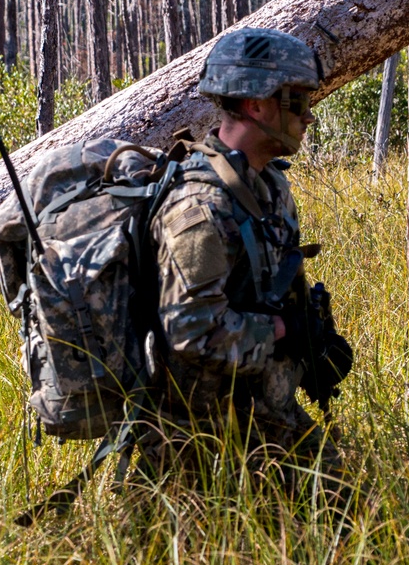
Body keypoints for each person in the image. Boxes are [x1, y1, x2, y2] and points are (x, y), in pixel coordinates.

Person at [135, 27, 354, 508]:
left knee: (346, 516)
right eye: (296, 101)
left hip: (256, 410)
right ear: (256, 105)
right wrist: (281, 330)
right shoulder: (199, 208)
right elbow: (192, 334)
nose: (309, 116)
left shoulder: (269, 188)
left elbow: (272, 287)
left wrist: (313, 345)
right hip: (188, 442)